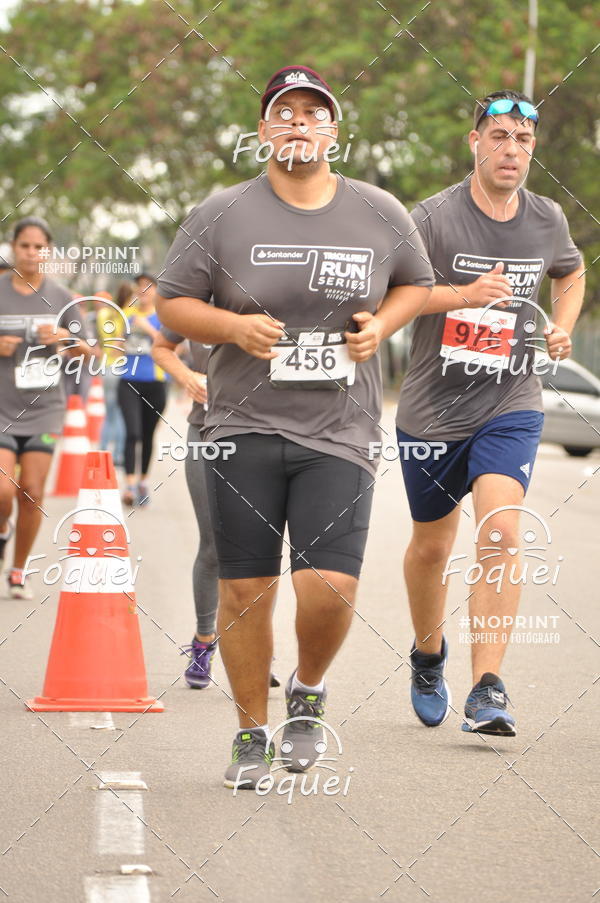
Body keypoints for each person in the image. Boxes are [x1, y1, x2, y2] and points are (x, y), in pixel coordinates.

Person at [156, 65, 434, 789]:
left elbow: (416, 281)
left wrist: (385, 324)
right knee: (246, 592)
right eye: (286, 113)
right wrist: (233, 327)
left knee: (328, 587)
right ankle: (251, 729)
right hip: (240, 428)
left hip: (339, 431)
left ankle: (307, 690)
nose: (300, 124)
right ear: (263, 132)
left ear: (334, 132)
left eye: (315, 114)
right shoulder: (221, 213)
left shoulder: (378, 211)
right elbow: (172, 306)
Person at [395, 90, 585, 736]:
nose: (512, 150)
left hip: (510, 400)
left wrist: (561, 327)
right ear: (474, 142)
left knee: (502, 530)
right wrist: (463, 294)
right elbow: (396, 294)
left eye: (524, 141)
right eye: (499, 136)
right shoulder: (432, 218)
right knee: (431, 545)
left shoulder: (546, 219)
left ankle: (486, 685)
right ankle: (428, 655)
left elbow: (572, 272)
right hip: (432, 408)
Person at [151, 330, 282, 691]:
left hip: (263, 432)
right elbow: (162, 348)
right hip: (207, 429)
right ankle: (203, 640)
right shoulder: (200, 301)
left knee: (260, 550)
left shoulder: (270, 297)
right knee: (213, 543)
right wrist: (187, 377)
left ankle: (260, 648)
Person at [0, 216, 94, 598]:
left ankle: (19, 568)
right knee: (3, 492)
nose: (32, 253)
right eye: (25, 245)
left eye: (39, 247)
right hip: (2, 408)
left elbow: (89, 354)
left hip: (44, 408)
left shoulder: (61, 297)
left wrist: (63, 339)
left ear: (48, 251)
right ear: (13, 247)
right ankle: (3, 527)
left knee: (33, 490)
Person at [117, 276, 167, 506]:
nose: (143, 291)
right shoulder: (127, 315)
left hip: (155, 382)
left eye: (149, 287)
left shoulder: (164, 317)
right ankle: (128, 486)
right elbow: (116, 344)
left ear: (157, 291)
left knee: (147, 435)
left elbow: (171, 346)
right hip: (128, 381)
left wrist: (148, 328)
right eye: (140, 287)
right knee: (133, 433)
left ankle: (143, 482)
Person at [97, 286, 127, 467]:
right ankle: (118, 454)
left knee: (109, 413)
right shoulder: (126, 316)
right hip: (121, 366)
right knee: (121, 413)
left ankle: (102, 450)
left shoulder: (103, 316)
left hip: (106, 366)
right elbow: (122, 341)